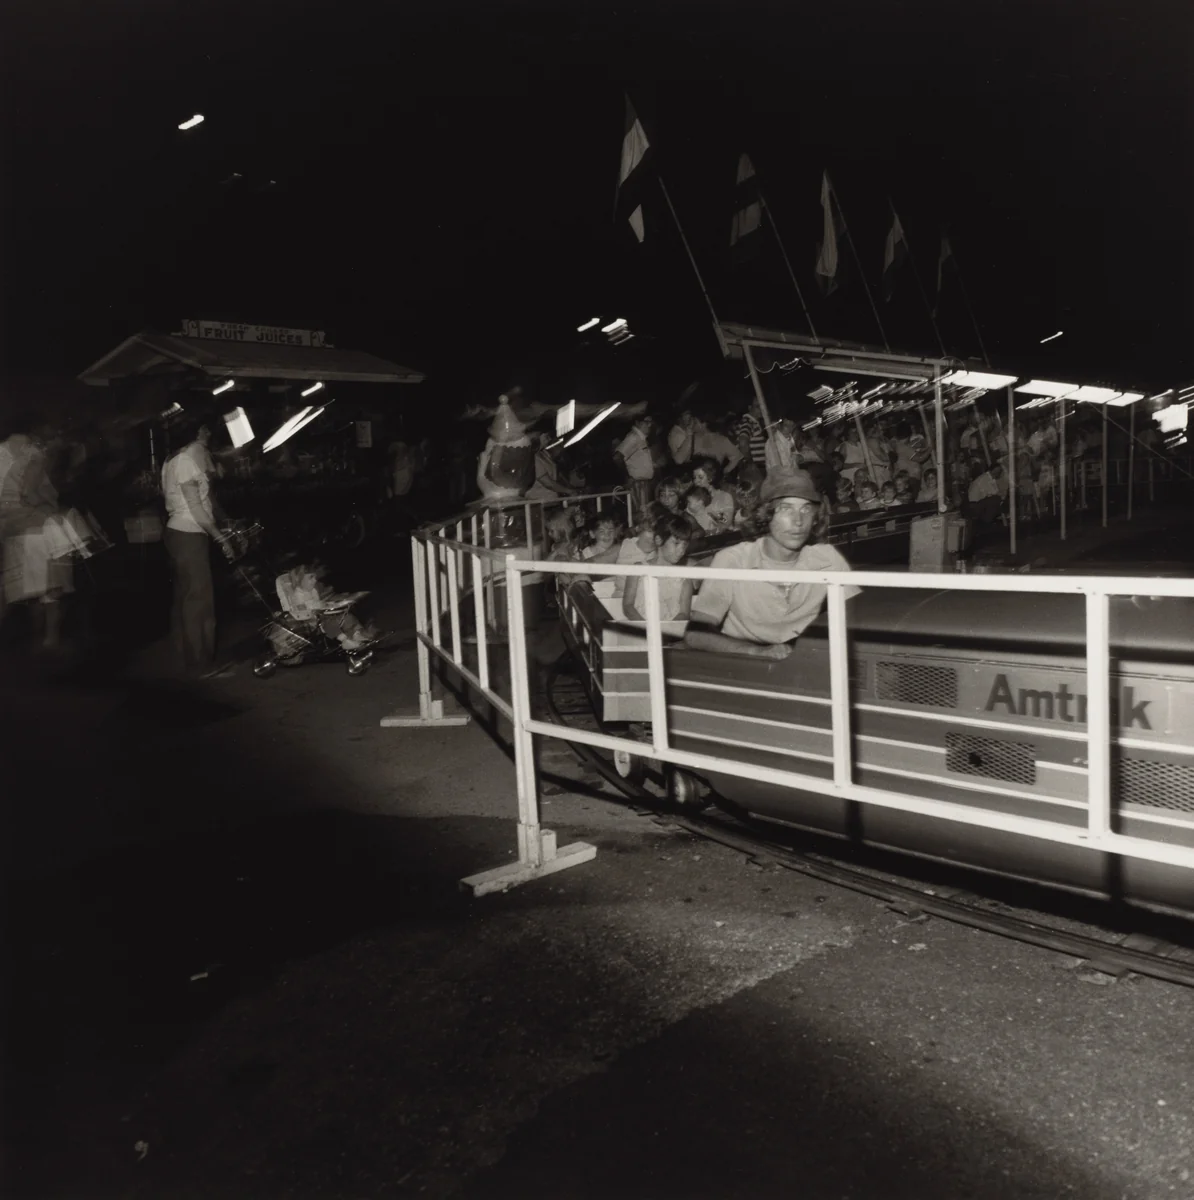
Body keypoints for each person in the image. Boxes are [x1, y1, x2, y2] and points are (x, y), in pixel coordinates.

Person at [685, 468, 860, 659]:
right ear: (765, 515)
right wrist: (758, 652)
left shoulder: (827, 558)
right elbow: (696, 635)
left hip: (805, 664)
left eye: (806, 509)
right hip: (745, 666)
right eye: (786, 509)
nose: (798, 521)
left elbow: (858, 620)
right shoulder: (733, 560)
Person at [161, 416, 235, 679]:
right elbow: (196, 508)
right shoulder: (186, 461)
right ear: (196, 431)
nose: (209, 433)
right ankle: (200, 665)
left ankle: (185, 659)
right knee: (199, 601)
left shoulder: (176, 458)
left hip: (180, 533)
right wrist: (221, 537)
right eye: (204, 428)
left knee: (185, 599)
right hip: (189, 534)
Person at [622, 512, 693, 623]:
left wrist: (666, 632)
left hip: (670, 634)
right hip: (641, 631)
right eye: (676, 543)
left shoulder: (684, 579)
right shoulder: (638, 569)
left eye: (685, 545)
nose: (681, 550)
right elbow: (628, 606)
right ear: (659, 540)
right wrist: (648, 629)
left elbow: (684, 613)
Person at [615, 414, 656, 514]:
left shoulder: (641, 438)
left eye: (651, 422)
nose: (650, 425)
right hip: (637, 484)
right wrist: (627, 476)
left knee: (646, 514)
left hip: (644, 484)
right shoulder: (633, 437)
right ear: (637, 422)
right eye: (646, 422)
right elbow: (617, 457)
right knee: (641, 515)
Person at [691, 458, 735, 529]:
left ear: (710, 478)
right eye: (694, 477)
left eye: (700, 477)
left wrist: (710, 510)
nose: (696, 481)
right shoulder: (691, 497)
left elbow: (726, 521)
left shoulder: (724, 496)